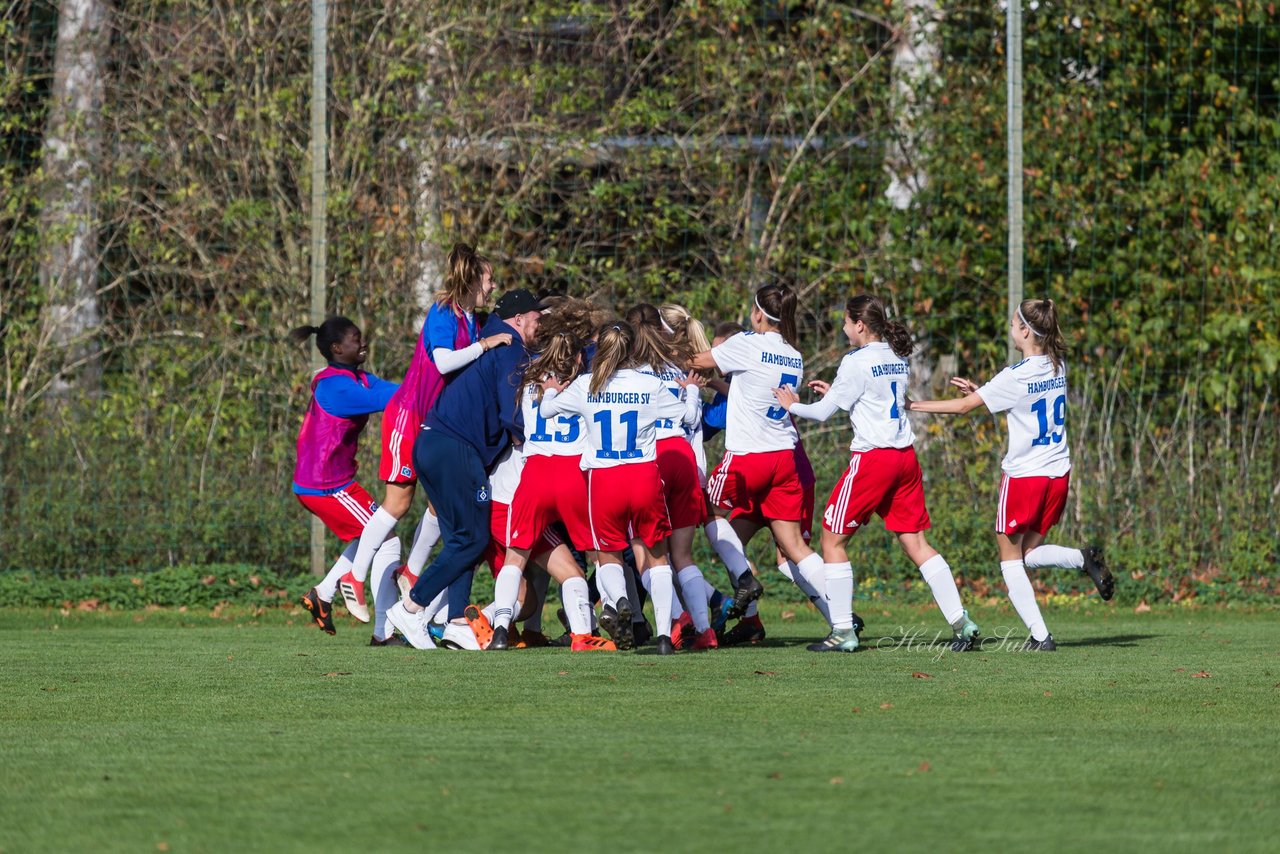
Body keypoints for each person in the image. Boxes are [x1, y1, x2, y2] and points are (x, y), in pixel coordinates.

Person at [773, 295, 981, 652]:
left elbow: (822, 414)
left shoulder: (854, 361)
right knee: (916, 543)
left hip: (874, 460)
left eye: (844, 321)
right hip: (905, 458)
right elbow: (872, 396)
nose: (841, 327)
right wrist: (835, 392)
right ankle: (962, 622)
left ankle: (842, 631)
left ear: (860, 325)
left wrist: (793, 405)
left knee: (831, 540)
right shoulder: (895, 356)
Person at [905, 298, 1114, 651]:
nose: (1010, 326)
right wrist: (983, 393)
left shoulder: (1015, 376)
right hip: (1057, 474)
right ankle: (1081, 558)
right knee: (1028, 553)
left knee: (1009, 558)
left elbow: (962, 409)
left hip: (1024, 479)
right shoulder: (1057, 365)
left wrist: (912, 405)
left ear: (1024, 331)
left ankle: (1040, 636)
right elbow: (1022, 404)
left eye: (1013, 322)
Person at [338, 243, 507, 630]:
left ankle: (413, 574)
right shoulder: (444, 314)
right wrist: (484, 345)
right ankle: (353, 576)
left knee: (440, 504)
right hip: (409, 415)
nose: (493, 286)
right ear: (470, 280)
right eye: (488, 279)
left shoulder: (471, 318)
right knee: (399, 503)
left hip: (437, 422)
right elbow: (445, 360)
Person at [386, 289, 545, 650]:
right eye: (537, 317)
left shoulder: (490, 341)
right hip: (455, 448)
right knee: (473, 538)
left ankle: (457, 620)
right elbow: (511, 410)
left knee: (462, 538)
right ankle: (411, 606)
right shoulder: (512, 349)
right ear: (519, 319)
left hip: (433, 443)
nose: (540, 324)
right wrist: (527, 440)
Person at [538, 320, 700, 654]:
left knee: (608, 555)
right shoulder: (650, 383)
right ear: (634, 349)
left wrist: (553, 389)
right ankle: (666, 638)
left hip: (604, 480)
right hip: (642, 475)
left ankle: (622, 600)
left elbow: (546, 409)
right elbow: (685, 415)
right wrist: (691, 390)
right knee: (657, 558)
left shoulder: (587, 385)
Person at [689, 283, 831, 634]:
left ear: (756, 314)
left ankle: (743, 581)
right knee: (791, 545)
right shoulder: (793, 354)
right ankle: (842, 616)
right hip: (783, 459)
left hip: (748, 458)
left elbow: (696, 362)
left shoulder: (746, 343)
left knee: (703, 510)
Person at [490, 330, 617, 652]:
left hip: (534, 474)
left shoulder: (529, 383)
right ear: (577, 357)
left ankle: (502, 630)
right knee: (597, 554)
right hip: (572, 474)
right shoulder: (587, 385)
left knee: (514, 558)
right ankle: (584, 632)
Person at [290, 317, 404, 645]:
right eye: (356, 339)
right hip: (325, 485)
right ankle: (384, 633)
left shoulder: (356, 378)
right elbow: (393, 400)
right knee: (387, 538)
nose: (363, 342)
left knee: (379, 535)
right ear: (338, 349)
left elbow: (397, 390)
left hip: (330, 483)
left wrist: (430, 383)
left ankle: (324, 593)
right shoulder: (336, 386)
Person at [630, 303, 717, 650]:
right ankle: (705, 630)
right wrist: (693, 390)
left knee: (646, 553)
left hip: (652, 460)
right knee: (683, 556)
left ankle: (677, 620)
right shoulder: (677, 366)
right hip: (684, 458)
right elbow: (691, 418)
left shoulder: (629, 369)